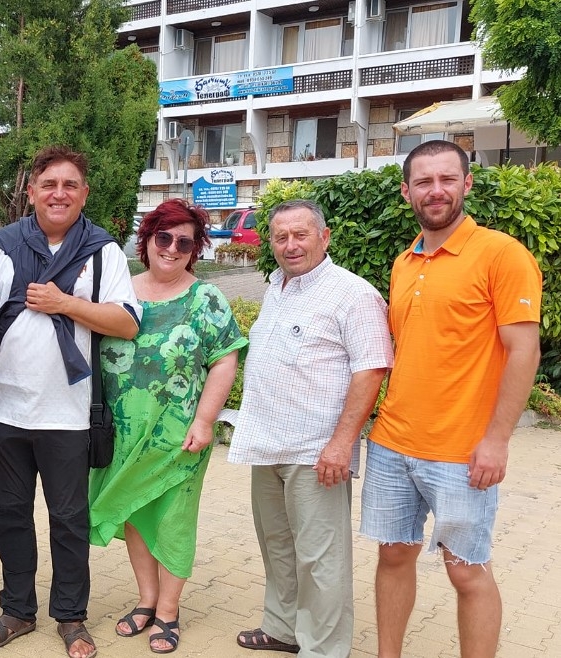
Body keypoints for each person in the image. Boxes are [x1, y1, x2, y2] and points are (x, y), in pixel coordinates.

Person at [362, 140, 542, 658]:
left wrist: (497, 441)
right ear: (407, 192)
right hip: (392, 444)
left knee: (466, 571)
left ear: (467, 183)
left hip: (463, 452)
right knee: (393, 556)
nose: (435, 191)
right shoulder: (404, 262)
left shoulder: (502, 254)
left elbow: (523, 351)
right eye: (424, 182)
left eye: (446, 179)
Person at [0, 145, 141, 658]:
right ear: (31, 192)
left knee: (69, 519)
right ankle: (17, 610)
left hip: (69, 411)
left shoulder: (102, 251)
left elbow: (127, 322)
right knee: (9, 513)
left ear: (84, 194)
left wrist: (64, 303)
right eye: (48, 184)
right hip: (2, 407)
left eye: (70, 185)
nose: (59, 193)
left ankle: (70, 616)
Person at [227, 199, 392, 657]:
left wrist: (341, 444)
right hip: (268, 444)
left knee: (321, 558)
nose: (290, 245)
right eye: (281, 237)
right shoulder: (276, 287)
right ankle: (283, 628)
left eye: (300, 235)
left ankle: (324, 648)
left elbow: (371, 370)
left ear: (324, 237)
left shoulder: (352, 294)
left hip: (317, 452)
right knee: (278, 546)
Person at [89, 199, 247, 654]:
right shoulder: (119, 292)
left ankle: (169, 612)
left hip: (180, 435)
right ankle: (146, 600)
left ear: (195, 249)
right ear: (147, 239)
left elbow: (224, 360)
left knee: (174, 518)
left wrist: (205, 420)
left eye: (185, 242)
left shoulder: (206, 298)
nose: (172, 249)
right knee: (134, 512)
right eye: (164, 237)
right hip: (123, 431)